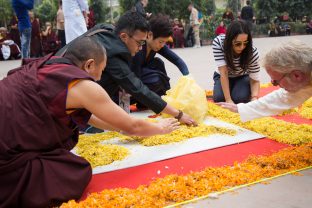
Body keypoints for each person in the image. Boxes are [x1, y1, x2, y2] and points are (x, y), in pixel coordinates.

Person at [0, 36, 179, 208]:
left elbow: (86, 115)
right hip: (6, 157)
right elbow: (132, 125)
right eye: (101, 70)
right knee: (77, 171)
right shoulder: (81, 84)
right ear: (89, 64)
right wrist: (160, 128)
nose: (100, 77)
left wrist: (118, 128)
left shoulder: (49, 65)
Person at [57, 10, 197, 126]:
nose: (141, 47)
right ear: (124, 36)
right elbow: (136, 87)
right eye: (139, 43)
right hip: (60, 94)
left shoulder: (109, 32)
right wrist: (178, 114)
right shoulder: (112, 54)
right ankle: (85, 121)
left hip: (65, 82)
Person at [217, 40, 312, 122]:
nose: (275, 85)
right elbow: (282, 98)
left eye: (276, 81)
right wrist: (241, 108)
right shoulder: (305, 76)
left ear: (297, 75)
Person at [131, 14, 189, 106]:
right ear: (149, 35)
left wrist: (187, 77)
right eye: (161, 42)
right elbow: (135, 79)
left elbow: (177, 60)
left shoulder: (157, 45)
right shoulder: (139, 48)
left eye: (165, 42)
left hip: (143, 78)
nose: (162, 45)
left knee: (158, 63)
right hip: (131, 85)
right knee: (157, 79)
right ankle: (143, 100)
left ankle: (157, 99)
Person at [212, 20, 260, 104]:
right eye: (238, 44)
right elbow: (224, 72)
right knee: (219, 98)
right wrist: (228, 100)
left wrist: (254, 98)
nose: (242, 47)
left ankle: (238, 88)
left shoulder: (252, 52)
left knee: (239, 99)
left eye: (245, 43)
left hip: (242, 76)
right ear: (229, 40)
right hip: (223, 75)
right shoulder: (219, 42)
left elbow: (255, 79)